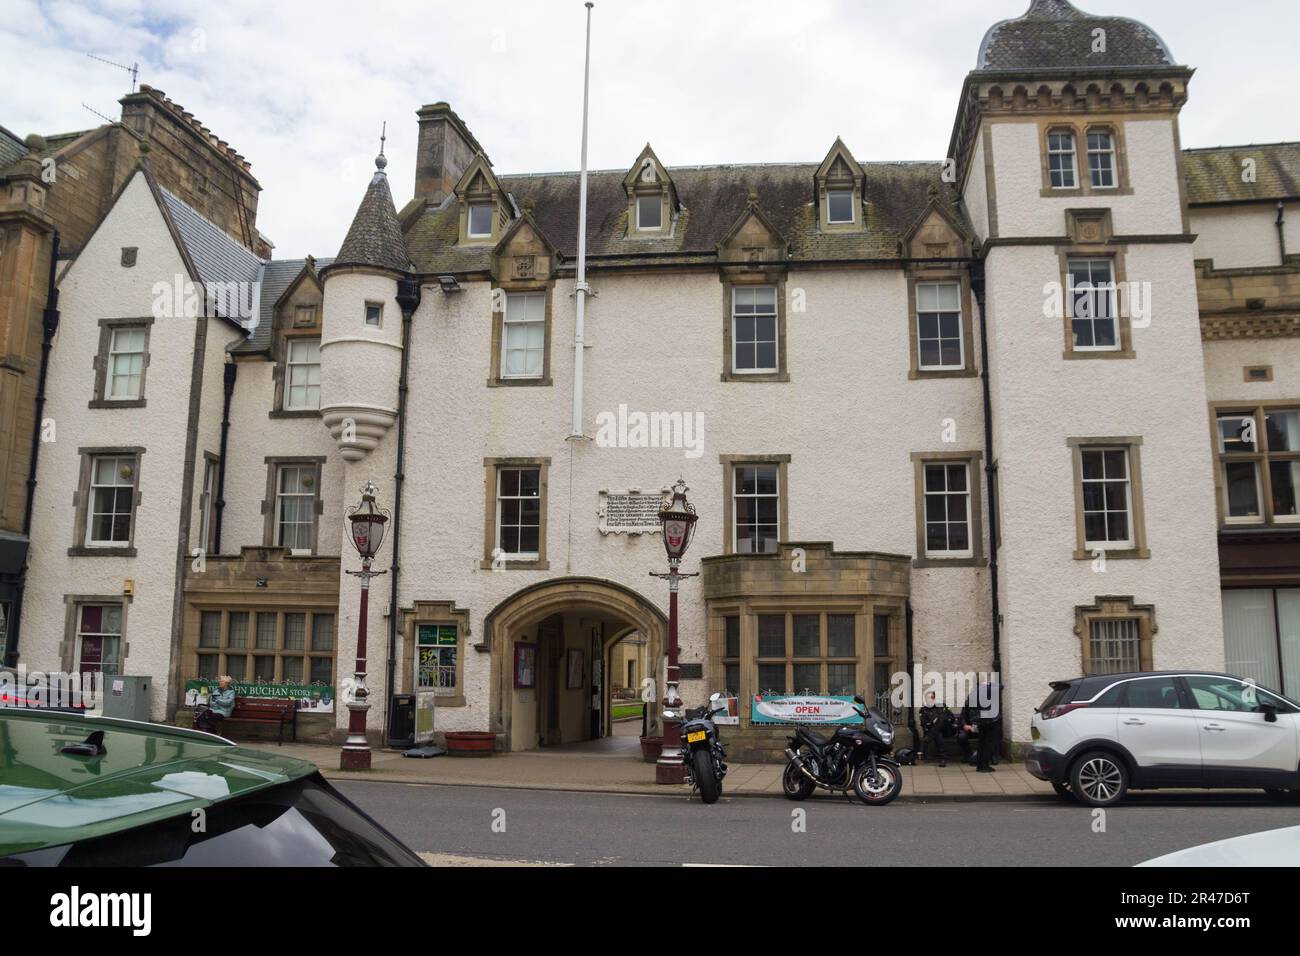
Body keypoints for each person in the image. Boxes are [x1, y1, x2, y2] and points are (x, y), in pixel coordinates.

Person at [962, 677, 1001, 773]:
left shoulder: (973, 694)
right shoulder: (988, 691)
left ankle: (979, 765)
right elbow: (1001, 686)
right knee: (988, 744)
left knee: (981, 743)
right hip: (989, 721)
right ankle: (984, 765)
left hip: (979, 722)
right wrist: (990, 684)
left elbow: (967, 707)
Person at [918, 691, 951, 767]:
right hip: (935, 732)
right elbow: (923, 723)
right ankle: (943, 758)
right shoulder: (923, 710)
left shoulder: (942, 706)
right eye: (929, 698)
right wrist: (932, 722)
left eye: (932, 697)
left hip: (946, 730)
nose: (931, 699)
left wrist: (940, 720)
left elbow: (951, 717)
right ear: (925, 699)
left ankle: (928, 738)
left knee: (942, 718)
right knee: (938, 734)